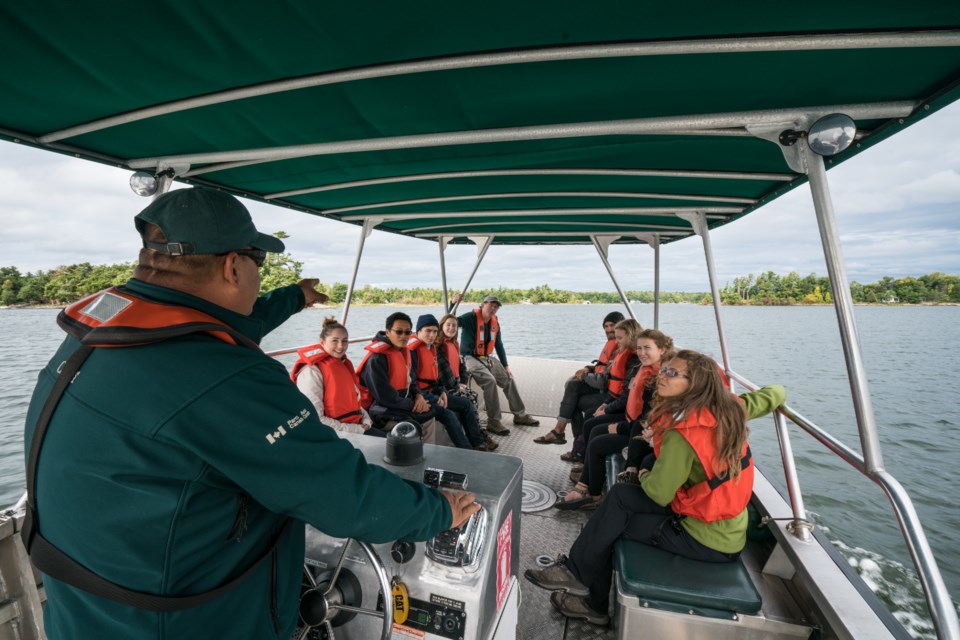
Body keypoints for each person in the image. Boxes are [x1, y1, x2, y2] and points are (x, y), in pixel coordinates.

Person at [21, 187, 480, 639]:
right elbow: (342, 494)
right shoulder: (224, 377)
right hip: (189, 623)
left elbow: (223, 318)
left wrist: (294, 298)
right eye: (258, 262)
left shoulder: (102, 331)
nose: (259, 274)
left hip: (85, 613)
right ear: (233, 266)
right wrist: (438, 512)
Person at [526, 350, 786, 625]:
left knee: (611, 528)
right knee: (619, 500)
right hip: (725, 527)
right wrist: (778, 392)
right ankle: (578, 576)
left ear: (695, 384)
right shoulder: (730, 408)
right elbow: (774, 394)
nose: (662, 375)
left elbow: (659, 493)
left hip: (704, 538)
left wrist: (646, 471)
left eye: (673, 373)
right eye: (664, 370)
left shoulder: (682, 435)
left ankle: (591, 600)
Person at [557, 328, 674, 509]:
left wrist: (618, 428)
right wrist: (609, 409)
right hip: (636, 426)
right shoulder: (647, 370)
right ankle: (586, 485)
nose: (641, 353)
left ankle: (592, 494)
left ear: (662, 350)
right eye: (639, 348)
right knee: (593, 427)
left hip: (644, 438)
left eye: (647, 348)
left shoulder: (659, 380)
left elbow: (645, 421)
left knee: (597, 441)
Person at [533, 311, 624, 445]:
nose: (609, 329)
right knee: (572, 387)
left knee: (573, 396)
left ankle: (565, 436)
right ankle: (575, 444)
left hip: (612, 397)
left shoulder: (622, 349)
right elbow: (602, 366)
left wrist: (586, 376)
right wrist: (587, 369)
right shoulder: (613, 345)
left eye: (612, 325)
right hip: (605, 390)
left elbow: (604, 380)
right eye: (606, 326)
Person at [408, 313, 494, 451]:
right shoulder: (412, 352)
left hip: (434, 391)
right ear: (418, 331)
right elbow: (411, 383)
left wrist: (441, 391)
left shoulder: (431, 348)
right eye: (428, 331)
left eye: (435, 332)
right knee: (450, 414)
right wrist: (436, 395)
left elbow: (435, 378)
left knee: (467, 403)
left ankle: (478, 443)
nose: (432, 335)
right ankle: (468, 450)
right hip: (422, 395)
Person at [458, 294, 539, 434]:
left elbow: (499, 345)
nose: (493, 308)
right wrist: (454, 304)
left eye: (496, 307)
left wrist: (506, 366)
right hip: (469, 358)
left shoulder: (495, 322)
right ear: (483, 304)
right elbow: (449, 321)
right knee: (490, 381)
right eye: (491, 305)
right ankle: (494, 422)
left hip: (486, 357)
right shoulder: (469, 318)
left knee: (509, 379)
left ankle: (520, 415)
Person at [291, 317, 384, 437]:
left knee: (397, 442)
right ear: (322, 342)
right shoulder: (311, 371)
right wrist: (356, 429)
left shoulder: (342, 364)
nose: (340, 346)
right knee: (392, 446)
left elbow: (354, 401)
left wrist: (366, 420)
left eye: (344, 341)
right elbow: (315, 418)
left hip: (354, 426)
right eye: (335, 341)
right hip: (332, 433)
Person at [356, 312, 442, 440]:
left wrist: (418, 396)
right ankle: (417, 456)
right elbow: (384, 397)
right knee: (423, 419)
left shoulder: (402, 351)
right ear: (388, 332)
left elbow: (411, 382)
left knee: (430, 413)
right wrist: (413, 404)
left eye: (407, 332)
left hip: (397, 403)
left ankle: (425, 456)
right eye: (399, 332)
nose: (404, 336)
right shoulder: (377, 359)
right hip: (377, 410)